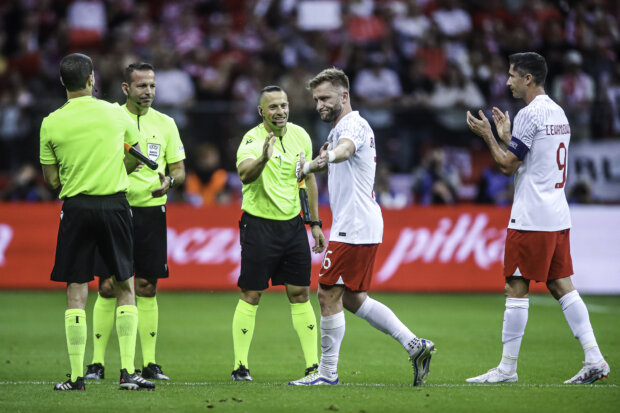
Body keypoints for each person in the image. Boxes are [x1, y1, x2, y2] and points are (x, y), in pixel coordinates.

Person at [465, 52, 610, 384]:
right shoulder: (558, 112)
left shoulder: (530, 114)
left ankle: (507, 368)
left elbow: (507, 166)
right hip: (557, 213)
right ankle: (594, 358)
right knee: (562, 286)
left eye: (512, 75)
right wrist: (507, 137)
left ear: (528, 78)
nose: (507, 82)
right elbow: (533, 156)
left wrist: (488, 135)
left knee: (516, 286)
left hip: (531, 215)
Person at [289, 68, 435, 387]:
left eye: (325, 98)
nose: (319, 105)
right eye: (316, 100)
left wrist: (315, 163)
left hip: (354, 224)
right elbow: (338, 153)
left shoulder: (353, 125)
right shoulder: (341, 128)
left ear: (344, 96)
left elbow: (345, 150)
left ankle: (327, 374)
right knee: (353, 298)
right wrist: (322, 158)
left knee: (327, 293)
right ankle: (416, 346)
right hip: (359, 222)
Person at [40, 53, 154, 391]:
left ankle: (76, 377)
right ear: (92, 80)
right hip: (114, 205)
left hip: (75, 207)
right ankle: (129, 373)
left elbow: (51, 180)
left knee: (76, 290)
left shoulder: (50, 122)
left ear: (62, 82)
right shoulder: (115, 114)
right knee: (124, 286)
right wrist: (114, 170)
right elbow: (136, 159)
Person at [84, 62, 186, 382]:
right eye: (142, 86)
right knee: (107, 286)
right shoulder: (109, 119)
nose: (149, 92)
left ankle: (150, 363)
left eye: (152, 86)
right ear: (126, 88)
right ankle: (96, 364)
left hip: (151, 212)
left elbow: (179, 169)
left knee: (147, 286)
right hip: (115, 208)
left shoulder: (167, 123)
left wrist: (170, 181)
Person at [232, 85, 326, 381]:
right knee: (252, 294)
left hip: (293, 225)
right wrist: (263, 157)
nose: (280, 111)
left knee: (300, 293)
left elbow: (308, 180)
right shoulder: (252, 139)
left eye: (284, 105)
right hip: (259, 225)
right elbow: (245, 174)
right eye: (273, 107)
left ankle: (313, 366)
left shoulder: (302, 136)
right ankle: (240, 366)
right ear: (261, 112)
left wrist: (315, 223)